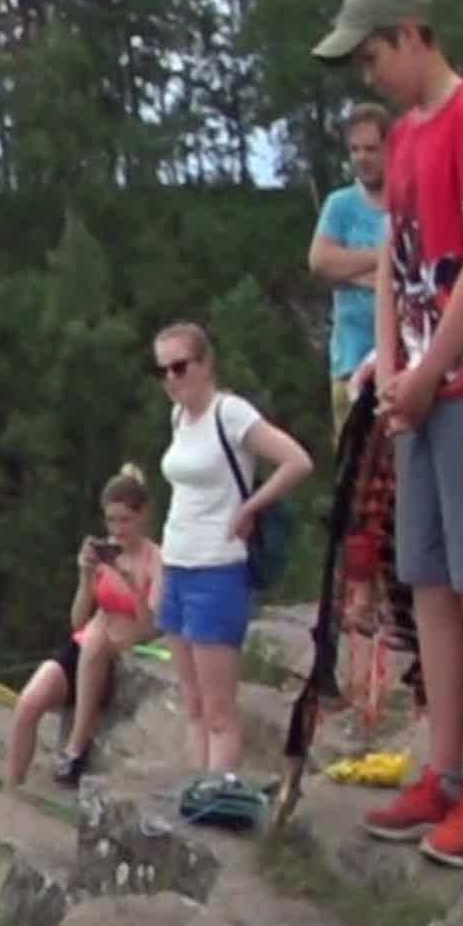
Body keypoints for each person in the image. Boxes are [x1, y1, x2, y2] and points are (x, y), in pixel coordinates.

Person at [319, 0, 463, 869]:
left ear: (413, 35)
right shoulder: (402, 141)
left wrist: (432, 369)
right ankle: (440, 770)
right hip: (418, 396)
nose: (370, 74)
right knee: (429, 581)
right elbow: (388, 266)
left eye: (373, 54)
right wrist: (391, 375)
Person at [151, 321, 313, 797]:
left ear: (205, 364)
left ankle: (218, 789)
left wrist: (251, 507)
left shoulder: (231, 413)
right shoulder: (179, 419)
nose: (171, 379)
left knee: (219, 706)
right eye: (162, 371)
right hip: (178, 562)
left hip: (217, 566)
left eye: (179, 367)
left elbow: (297, 461)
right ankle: (198, 790)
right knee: (193, 701)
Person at [4, 465, 164, 790]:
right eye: (111, 520)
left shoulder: (155, 560)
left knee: (95, 640)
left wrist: (133, 585)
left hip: (120, 650)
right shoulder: (106, 554)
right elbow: (78, 619)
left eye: (125, 520)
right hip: (87, 644)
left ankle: (76, 745)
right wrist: (86, 576)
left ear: (142, 516)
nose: (117, 530)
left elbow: (152, 625)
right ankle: (11, 786)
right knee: (28, 704)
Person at [311, 105, 393, 448]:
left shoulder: (408, 201)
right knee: (353, 462)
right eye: (355, 150)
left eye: (371, 149)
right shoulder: (340, 205)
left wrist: (360, 271)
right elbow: (322, 261)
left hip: (402, 364)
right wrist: (383, 261)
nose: (362, 158)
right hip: (350, 359)